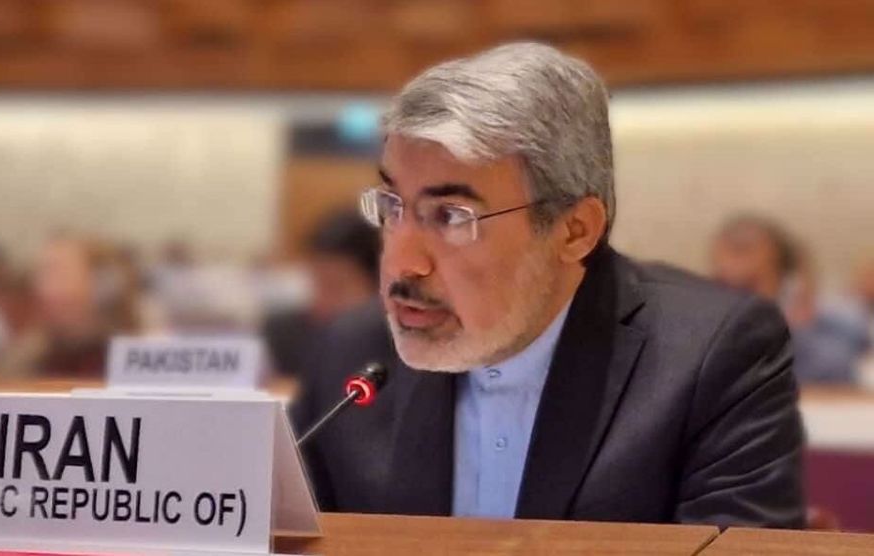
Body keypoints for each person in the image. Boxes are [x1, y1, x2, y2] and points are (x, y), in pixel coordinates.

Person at [292, 43, 804, 528]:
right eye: (393, 207)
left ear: (574, 230)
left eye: (450, 216)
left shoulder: (714, 357)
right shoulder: (349, 355)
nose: (402, 264)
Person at [710, 215, 870, 383]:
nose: (734, 299)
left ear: (786, 284)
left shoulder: (831, 354)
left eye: (748, 286)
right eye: (723, 283)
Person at [0, 233, 150, 378]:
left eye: (55, 272)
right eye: (39, 273)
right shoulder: (24, 361)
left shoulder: (141, 360)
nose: (39, 287)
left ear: (102, 287)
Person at [264, 210, 381, 379]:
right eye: (316, 283)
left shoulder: (396, 351)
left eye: (336, 287)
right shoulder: (286, 335)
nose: (321, 302)